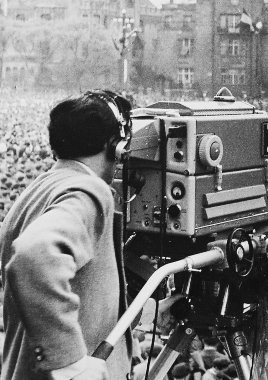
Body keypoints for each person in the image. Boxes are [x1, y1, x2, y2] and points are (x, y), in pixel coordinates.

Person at [0, 90, 179, 380]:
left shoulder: (37, 191)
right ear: (115, 147)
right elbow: (34, 256)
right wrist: (70, 361)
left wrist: (150, 313)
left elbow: (82, 295)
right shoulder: (89, 191)